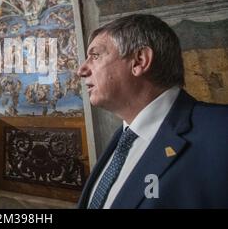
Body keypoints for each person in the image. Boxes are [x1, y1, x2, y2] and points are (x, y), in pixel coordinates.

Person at [77, 14, 228, 208]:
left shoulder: (221, 132)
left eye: (95, 56)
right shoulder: (124, 138)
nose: (81, 70)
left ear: (139, 61)